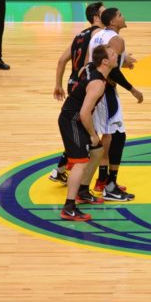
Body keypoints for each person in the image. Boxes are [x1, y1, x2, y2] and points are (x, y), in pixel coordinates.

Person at [86, 7, 145, 198]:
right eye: (120, 15)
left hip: (94, 84)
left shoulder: (97, 35)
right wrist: (132, 89)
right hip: (105, 90)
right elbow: (112, 71)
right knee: (117, 135)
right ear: (112, 22)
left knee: (109, 135)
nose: (123, 17)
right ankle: (109, 185)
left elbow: (95, 61)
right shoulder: (117, 40)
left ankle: (102, 180)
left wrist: (122, 61)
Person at [55, 43, 118, 221]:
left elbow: (81, 71)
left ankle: (82, 191)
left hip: (75, 117)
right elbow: (84, 113)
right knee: (80, 163)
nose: (116, 56)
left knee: (97, 151)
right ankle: (69, 207)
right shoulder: (98, 84)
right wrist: (92, 134)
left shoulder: (90, 66)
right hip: (72, 120)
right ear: (105, 61)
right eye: (113, 54)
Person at [50, 1, 107, 182]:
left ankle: (60, 170)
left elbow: (61, 61)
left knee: (78, 130)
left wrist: (58, 85)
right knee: (83, 131)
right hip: (85, 85)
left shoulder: (79, 35)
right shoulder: (99, 34)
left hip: (71, 83)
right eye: (104, 13)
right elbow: (88, 65)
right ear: (96, 17)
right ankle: (68, 174)